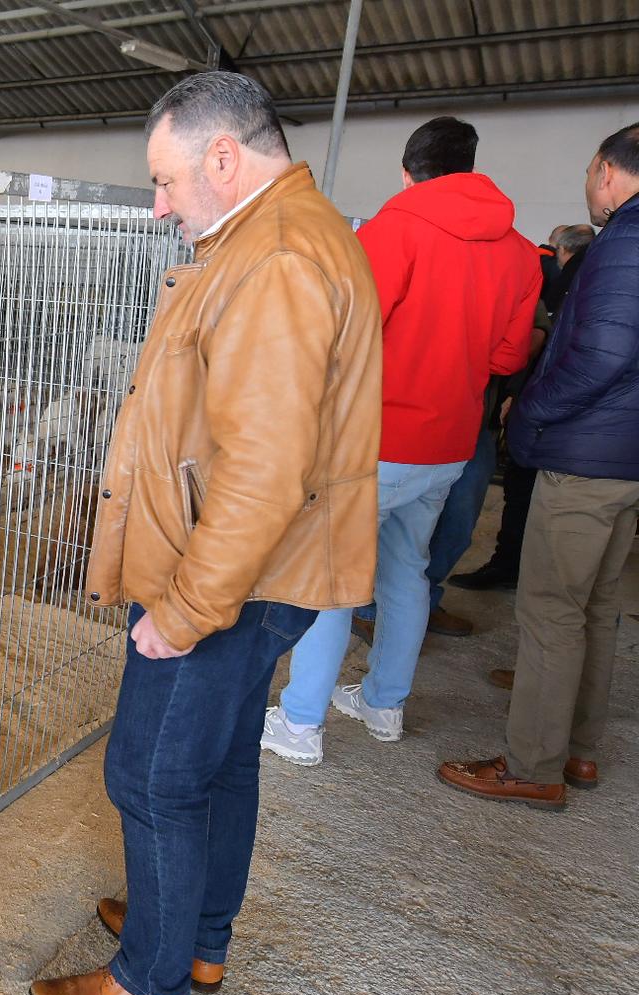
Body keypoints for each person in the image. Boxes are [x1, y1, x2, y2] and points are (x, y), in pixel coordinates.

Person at [27, 72, 381, 995]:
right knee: (220, 764)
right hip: (270, 568)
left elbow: (263, 470)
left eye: (167, 180)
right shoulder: (285, 233)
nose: (160, 203)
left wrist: (181, 611)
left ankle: (150, 979)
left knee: (149, 775)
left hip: (231, 575)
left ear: (223, 158)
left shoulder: (271, 259)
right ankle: (193, 932)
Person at [261, 117, 538, 767]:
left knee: (329, 579)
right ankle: (384, 704)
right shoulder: (523, 253)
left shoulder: (394, 230)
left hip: (375, 440)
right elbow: (506, 355)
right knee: (404, 571)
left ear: (408, 170)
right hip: (448, 446)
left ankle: (300, 723)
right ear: (470, 169)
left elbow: (347, 332)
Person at [441, 123, 639, 808]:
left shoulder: (625, 243)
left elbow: (601, 356)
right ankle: (578, 752)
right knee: (594, 608)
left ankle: (533, 765)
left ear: (609, 171)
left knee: (552, 611)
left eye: (590, 169)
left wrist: (528, 411)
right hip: (623, 460)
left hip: (585, 457)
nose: (589, 184)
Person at [451, 223, 597, 595]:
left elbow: (537, 334)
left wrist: (507, 375)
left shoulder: (521, 274)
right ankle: (382, 604)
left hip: (481, 417)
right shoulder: (434, 265)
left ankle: (425, 596)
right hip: (421, 416)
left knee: (460, 517)